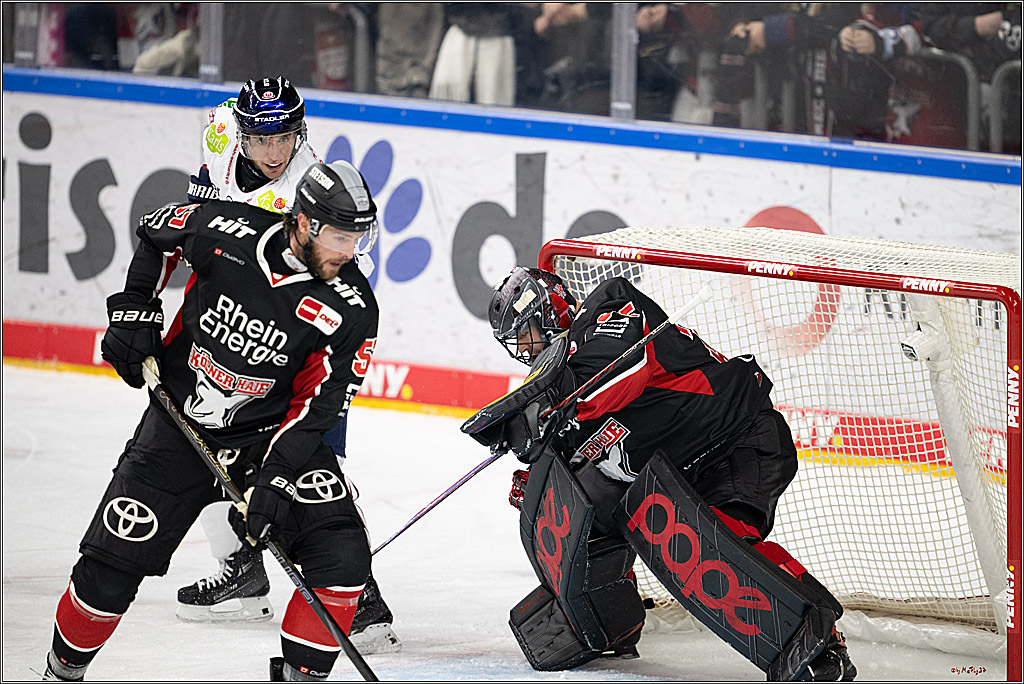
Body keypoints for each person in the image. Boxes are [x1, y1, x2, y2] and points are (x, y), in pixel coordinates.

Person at [42, 160, 381, 682]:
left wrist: (276, 480)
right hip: (179, 427)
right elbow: (155, 232)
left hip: (269, 439)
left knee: (341, 556)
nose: (349, 252)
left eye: (358, 238)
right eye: (340, 236)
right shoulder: (226, 230)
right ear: (304, 222)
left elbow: (320, 407)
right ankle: (60, 674)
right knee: (108, 569)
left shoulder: (352, 306)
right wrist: (134, 309)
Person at [470, 267, 857, 680]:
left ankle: (818, 645)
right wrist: (543, 480)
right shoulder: (562, 396)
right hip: (676, 474)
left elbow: (618, 372)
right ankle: (608, 621)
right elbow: (580, 471)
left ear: (552, 309)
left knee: (713, 546)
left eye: (527, 332)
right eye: (518, 343)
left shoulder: (612, 306)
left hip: (736, 438)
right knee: (584, 509)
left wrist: (543, 406)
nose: (527, 349)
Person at [179, 75, 400, 654]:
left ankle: (362, 598)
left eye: (285, 140)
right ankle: (243, 572)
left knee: (311, 465)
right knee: (200, 441)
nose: (274, 154)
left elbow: (347, 272)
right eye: (262, 140)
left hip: (300, 338)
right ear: (241, 131)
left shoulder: (311, 189)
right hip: (233, 327)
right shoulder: (220, 130)